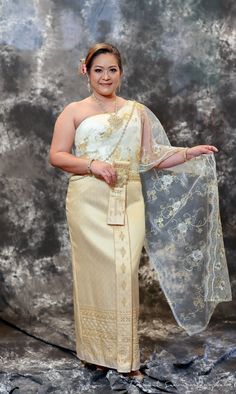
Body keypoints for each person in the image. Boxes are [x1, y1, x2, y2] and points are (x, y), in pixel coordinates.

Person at [49, 43, 232, 378]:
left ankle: (124, 358)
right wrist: (92, 164)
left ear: (121, 72)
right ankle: (95, 352)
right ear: (85, 71)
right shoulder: (73, 111)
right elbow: (58, 156)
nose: (105, 77)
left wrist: (189, 153)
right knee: (91, 278)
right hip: (87, 202)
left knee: (123, 273)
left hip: (128, 198)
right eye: (98, 70)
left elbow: (150, 158)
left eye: (112, 70)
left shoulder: (138, 112)